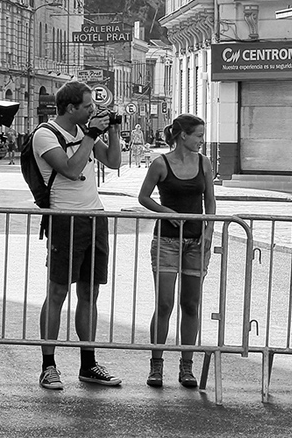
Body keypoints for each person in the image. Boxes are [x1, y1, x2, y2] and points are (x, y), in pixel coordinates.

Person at [33, 81, 122, 390]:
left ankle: (88, 363)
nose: (91, 112)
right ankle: (48, 365)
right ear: (70, 108)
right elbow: (71, 169)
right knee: (58, 292)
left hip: (94, 216)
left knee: (90, 293)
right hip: (65, 218)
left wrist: (110, 129)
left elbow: (112, 162)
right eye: (87, 107)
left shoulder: (83, 132)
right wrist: (92, 133)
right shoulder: (45, 135)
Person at [138, 114, 216, 389]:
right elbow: (143, 197)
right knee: (164, 304)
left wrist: (208, 232)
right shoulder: (161, 163)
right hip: (167, 242)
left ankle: (186, 368)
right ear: (183, 135)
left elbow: (210, 200)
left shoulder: (203, 162)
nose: (201, 141)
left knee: (191, 304)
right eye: (198, 136)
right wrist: (165, 211)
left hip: (196, 242)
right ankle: (156, 366)